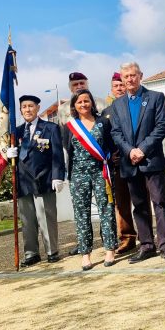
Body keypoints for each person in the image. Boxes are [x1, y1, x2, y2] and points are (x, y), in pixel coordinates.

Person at [109, 61, 165, 263]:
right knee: (139, 206)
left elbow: (161, 126)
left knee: (159, 203)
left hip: (151, 159)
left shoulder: (155, 98)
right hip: (129, 161)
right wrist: (130, 151)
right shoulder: (117, 105)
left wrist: (142, 149)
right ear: (122, 79)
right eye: (126, 76)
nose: (130, 79)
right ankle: (147, 245)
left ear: (140, 75)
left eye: (133, 75)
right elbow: (115, 132)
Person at [6, 95, 65, 267]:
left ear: (38, 108)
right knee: (27, 220)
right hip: (23, 181)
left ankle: (51, 251)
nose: (27, 110)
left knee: (46, 218)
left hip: (44, 179)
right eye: (24, 107)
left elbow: (57, 155)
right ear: (20, 110)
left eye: (31, 106)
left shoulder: (50, 128)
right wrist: (8, 154)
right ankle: (31, 253)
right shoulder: (15, 132)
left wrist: (58, 176)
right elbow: (6, 153)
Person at [62, 89, 117, 270]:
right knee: (82, 213)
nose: (83, 104)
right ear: (74, 106)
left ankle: (110, 249)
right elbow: (67, 149)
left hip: (101, 172)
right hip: (78, 175)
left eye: (86, 101)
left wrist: (111, 158)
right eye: (79, 102)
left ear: (92, 103)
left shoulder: (103, 122)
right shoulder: (69, 127)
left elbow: (110, 146)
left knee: (106, 209)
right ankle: (85, 254)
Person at [57, 71, 106, 256]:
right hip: (78, 165)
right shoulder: (63, 110)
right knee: (81, 208)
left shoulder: (101, 103)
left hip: (100, 163)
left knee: (105, 206)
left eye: (82, 83)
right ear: (70, 87)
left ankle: (108, 238)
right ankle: (83, 243)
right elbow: (64, 139)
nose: (79, 86)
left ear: (87, 83)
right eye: (75, 84)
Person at [102, 72, 137, 255]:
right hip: (118, 164)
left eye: (122, 85)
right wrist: (109, 156)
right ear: (111, 90)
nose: (119, 88)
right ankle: (127, 238)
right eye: (116, 86)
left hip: (137, 160)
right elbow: (104, 138)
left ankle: (146, 236)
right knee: (121, 204)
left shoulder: (135, 105)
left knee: (141, 201)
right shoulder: (106, 113)